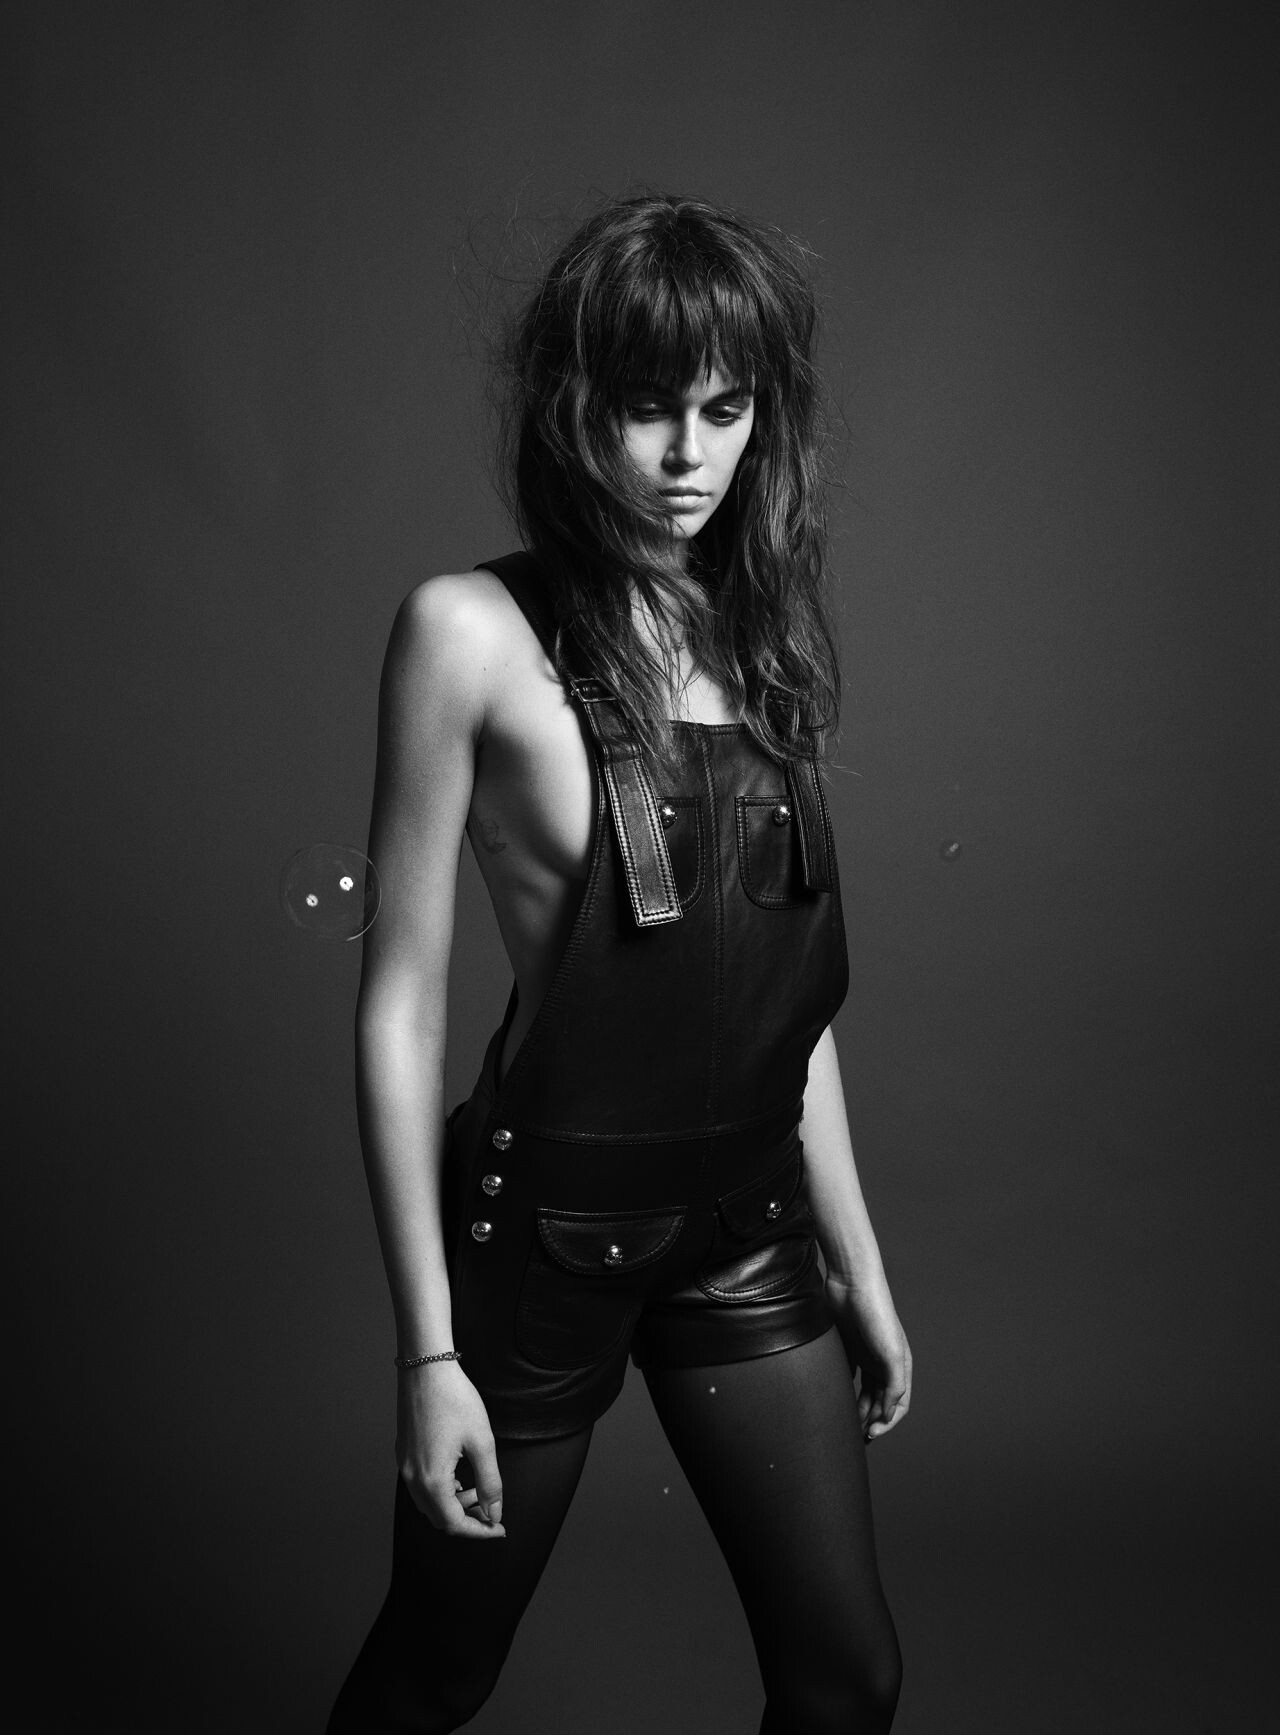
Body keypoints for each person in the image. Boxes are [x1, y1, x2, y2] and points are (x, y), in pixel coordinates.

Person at [327, 193, 912, 1735]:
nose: (687, 457)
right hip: (539, 1245)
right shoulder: (465, 631)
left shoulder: (760, 633)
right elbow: (401, 1005)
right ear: (574, 405)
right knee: (436, 1671)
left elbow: (783, 1002)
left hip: (746, 1230)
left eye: (725, 410)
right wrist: (427, 1353)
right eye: (651, 407)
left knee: (849, 1682)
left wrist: (855, 1258)